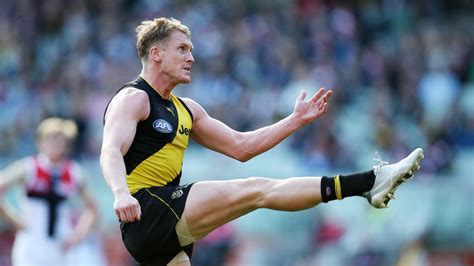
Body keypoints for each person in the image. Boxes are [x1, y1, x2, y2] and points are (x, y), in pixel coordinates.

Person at [100, 17, 424, 265]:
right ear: (155, 54)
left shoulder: (188, 110)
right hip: (146, 209)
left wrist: (295, 120)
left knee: (257, 188)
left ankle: (371, 184)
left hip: (158, 229)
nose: (191, 58)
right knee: (257, 189)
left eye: (191, 50)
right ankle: (369, 182)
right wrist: (119, 194)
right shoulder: (134, 98)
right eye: (182, 49)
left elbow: (243, 148)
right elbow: (111, 150)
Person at [0, 117, 98, 265]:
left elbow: (92, 207)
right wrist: (12, 219)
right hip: (31, 243)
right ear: (40, 142)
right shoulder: (28, 168)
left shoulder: (73, 172)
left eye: (61, 139)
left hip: (60, 245)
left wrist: (78, 234)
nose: (57, 143)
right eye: (52, 138)